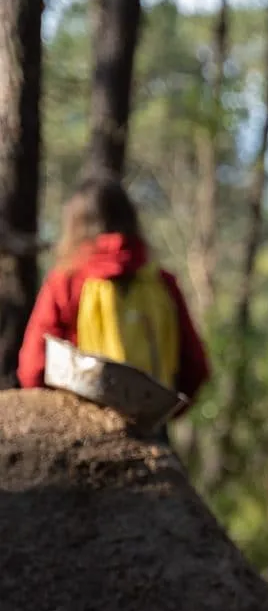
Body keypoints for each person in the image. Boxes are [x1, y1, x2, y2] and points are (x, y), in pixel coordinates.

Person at [18, 175, 210, 436]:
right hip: (149, 430)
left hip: (80, 428)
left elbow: (33, 366)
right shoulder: (161, 282)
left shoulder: (67, 281)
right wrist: (163, 417)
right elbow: (195, 366)